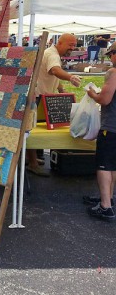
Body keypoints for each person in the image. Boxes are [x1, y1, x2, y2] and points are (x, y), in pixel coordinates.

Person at [26, 33, 82, 176]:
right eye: (70, 45)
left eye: (74, 45)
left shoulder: (52, 53)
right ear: (60, 43)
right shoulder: (53, 55)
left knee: (33, 128)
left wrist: (61, 88)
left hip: (41, 95)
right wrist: (71, 77)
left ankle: (31, 158)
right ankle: (32, 163)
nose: (72, 48)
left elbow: (51, 74)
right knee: (31, 130)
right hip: (37, 96)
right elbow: (55, 70)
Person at [85, 42, 116, 220]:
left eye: (111, 54)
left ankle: (105, 206)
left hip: (111, 126)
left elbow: (104, 100)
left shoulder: (113, 73)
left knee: (104, 165)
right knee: (113, 165)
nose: (110, 57)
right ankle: (109, 198)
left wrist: (92, 94)